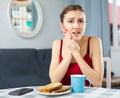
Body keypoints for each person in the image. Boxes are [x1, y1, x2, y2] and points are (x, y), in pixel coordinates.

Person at [49, 4, 104, 87]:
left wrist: (76, 53)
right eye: (70, 21)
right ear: (62, 25)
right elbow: (54, 80)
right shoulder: (57, 44)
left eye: (81, 21)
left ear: (85, 23)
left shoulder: (94, 42)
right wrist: (70, 53)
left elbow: (97, 82)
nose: (77, 26)